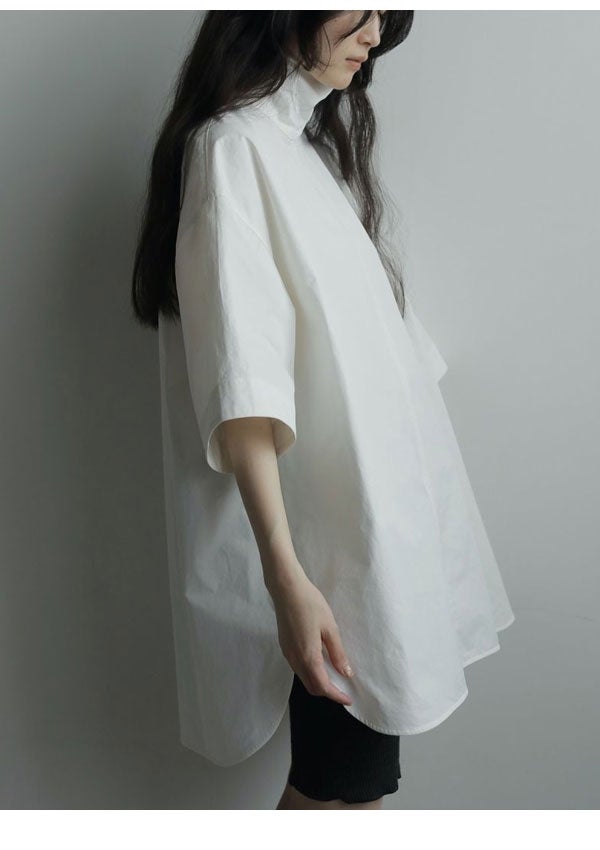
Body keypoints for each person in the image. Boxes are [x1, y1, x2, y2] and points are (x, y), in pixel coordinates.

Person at [131, 11, 515, 810]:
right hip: (326, 560)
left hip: (369, 544)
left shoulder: (305, 155)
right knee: (338, 796)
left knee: (349, 793)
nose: (376, 34)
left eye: (387, 15)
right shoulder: (232, 148)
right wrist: (287, 580)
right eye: (361, 8)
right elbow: (241, 384)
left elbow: (382, 367)